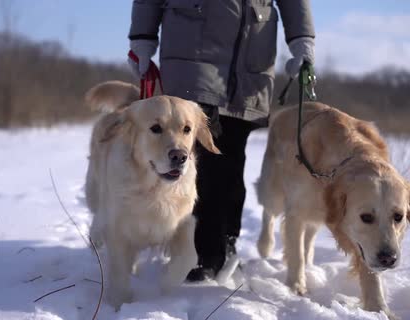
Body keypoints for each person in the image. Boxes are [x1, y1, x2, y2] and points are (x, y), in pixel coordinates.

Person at [128, 0, 315, 281]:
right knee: (202, 162)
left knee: (232, 160)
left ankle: (225, 242)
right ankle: (200, 251)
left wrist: (302, 41)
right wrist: (142, 38)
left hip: (251, 55)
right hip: (192, 46)